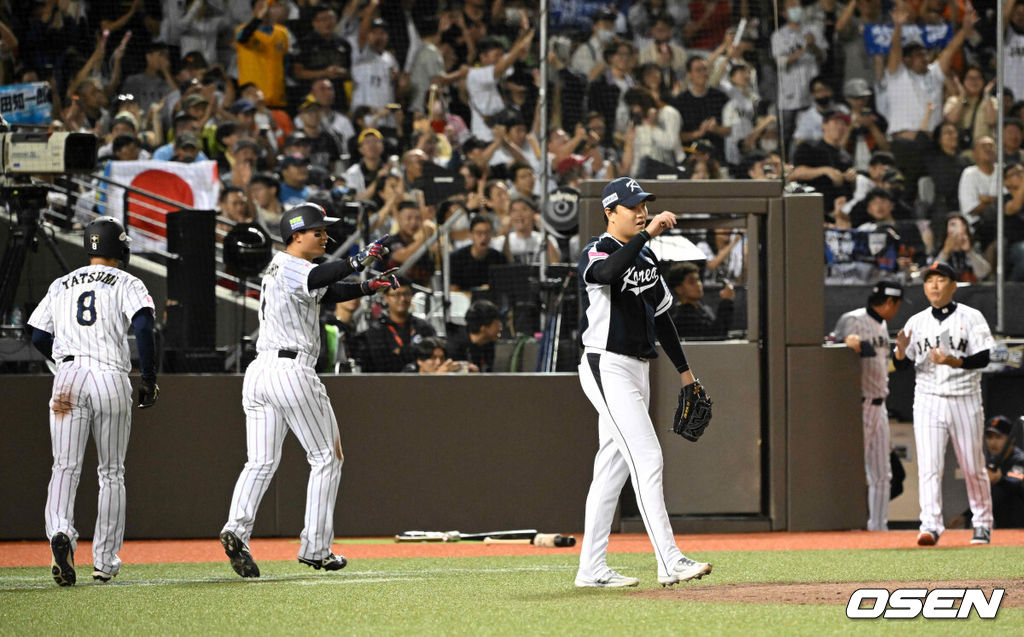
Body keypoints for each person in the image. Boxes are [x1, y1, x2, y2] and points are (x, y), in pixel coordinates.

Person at [219, 203, 397, 578]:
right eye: (318, 231)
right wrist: (358, 260)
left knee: (261, 462)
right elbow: (325, 277)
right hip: (290, 370)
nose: (324, 236)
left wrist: (366, 286)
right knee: (327, 458)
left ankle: (236, 528)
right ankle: (316, 548)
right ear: (296, 235)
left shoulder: (289, 269)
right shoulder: (289, 264)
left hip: (260, 372)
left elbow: (326, 290)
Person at [575, 177, 712, 588]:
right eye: (632, 206)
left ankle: (591, 570)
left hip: (638, 368)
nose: (641, 212)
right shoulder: (596, 249)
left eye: (644, 205)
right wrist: (647, 236)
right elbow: (608, 271)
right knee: (648, 457)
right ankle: (669, 561)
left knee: (612, 471)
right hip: (606, 365)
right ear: (609, 212)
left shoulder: (648, 258)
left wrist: (685, 372)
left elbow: (663, 318)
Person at [27, 216, 159, 586]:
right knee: (111, 472)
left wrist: (63, 359)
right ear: (120, 246)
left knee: (64, 467)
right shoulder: (128, 281)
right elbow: (145, 326)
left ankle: (61, 533)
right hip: (109, 377)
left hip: (67, 378)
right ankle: (104, 560)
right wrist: (148, 377)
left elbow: (37, 334)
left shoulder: (61, 283)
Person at [893, 261, 995, 546]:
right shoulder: (916, 322)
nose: (934, 285)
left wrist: (955, 361)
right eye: (929, 280)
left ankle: (983, 523)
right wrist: (900, 352)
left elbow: (985, 357)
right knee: (929, 466)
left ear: (953, 285)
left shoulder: (971, 317)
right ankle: (930, 525)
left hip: (964, 398)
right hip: (928, 400)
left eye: (940, 279)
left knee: (973, 466)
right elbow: (901, 367)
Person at [830, 280, 904, 531]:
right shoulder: (853, 319)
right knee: (852, 469)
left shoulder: (882, 325)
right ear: (890, 302)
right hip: (858, 405)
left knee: (883, 474)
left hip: (879, 405)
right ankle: (846, 523)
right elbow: (832, 348)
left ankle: (878, 527)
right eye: (897, 304)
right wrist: (845, 342)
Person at [360, 280, 437, 373]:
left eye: (406, 294)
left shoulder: (423, 327)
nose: (402, 299)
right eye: (396, 295)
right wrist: (414, 351)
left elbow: (432, 355)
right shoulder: (376, 331)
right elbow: (380, 363)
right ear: (385, 298)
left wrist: (399, 352)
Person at [666, 261, 734, 338]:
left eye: (698, 280)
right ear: (679, 289)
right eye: (692, 282)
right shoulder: (682, 317)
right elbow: (715, 335)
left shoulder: (704, 309)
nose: (698, 284)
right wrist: (727, 301)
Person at [983, 416, 1024, 528]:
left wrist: (1001, 479)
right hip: (1001, 528)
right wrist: (966, 515)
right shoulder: (992, 462)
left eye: (998, 437)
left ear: (1011, 439)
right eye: (989, 437)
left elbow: (1019, 485)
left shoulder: (1020, 460)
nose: (992, 442)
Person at [449, 216, 508, 293]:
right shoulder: (457, 258)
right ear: (471, 234)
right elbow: (453, 290)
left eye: (487, 233)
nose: (484, 238)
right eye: (479, 233)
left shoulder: (499, 258)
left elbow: (504, 288)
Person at [446, 300, 502, 372]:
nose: (500, 326)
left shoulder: (488, 345)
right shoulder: (454, 346)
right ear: (483, 328)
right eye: (496, 322)